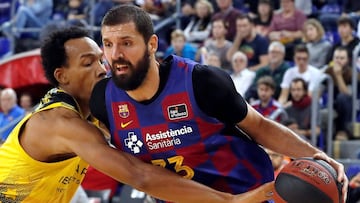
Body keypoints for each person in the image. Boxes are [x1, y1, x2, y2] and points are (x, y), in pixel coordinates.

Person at [91, 4, 348, 202]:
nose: (116, 55)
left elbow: (258, 126)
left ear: (152, 44)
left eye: (126, 43)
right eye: (108, 44)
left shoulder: (200, 82)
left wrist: (315, 155)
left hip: (247, 192)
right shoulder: (103, 100)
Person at [0, 26, 276, 203]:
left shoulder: (95, 112)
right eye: (88, 63)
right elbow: (138, 174)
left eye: (100, 59)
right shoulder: (58, 122)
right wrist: (230, 200)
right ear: (62, 76)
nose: (102, 68)